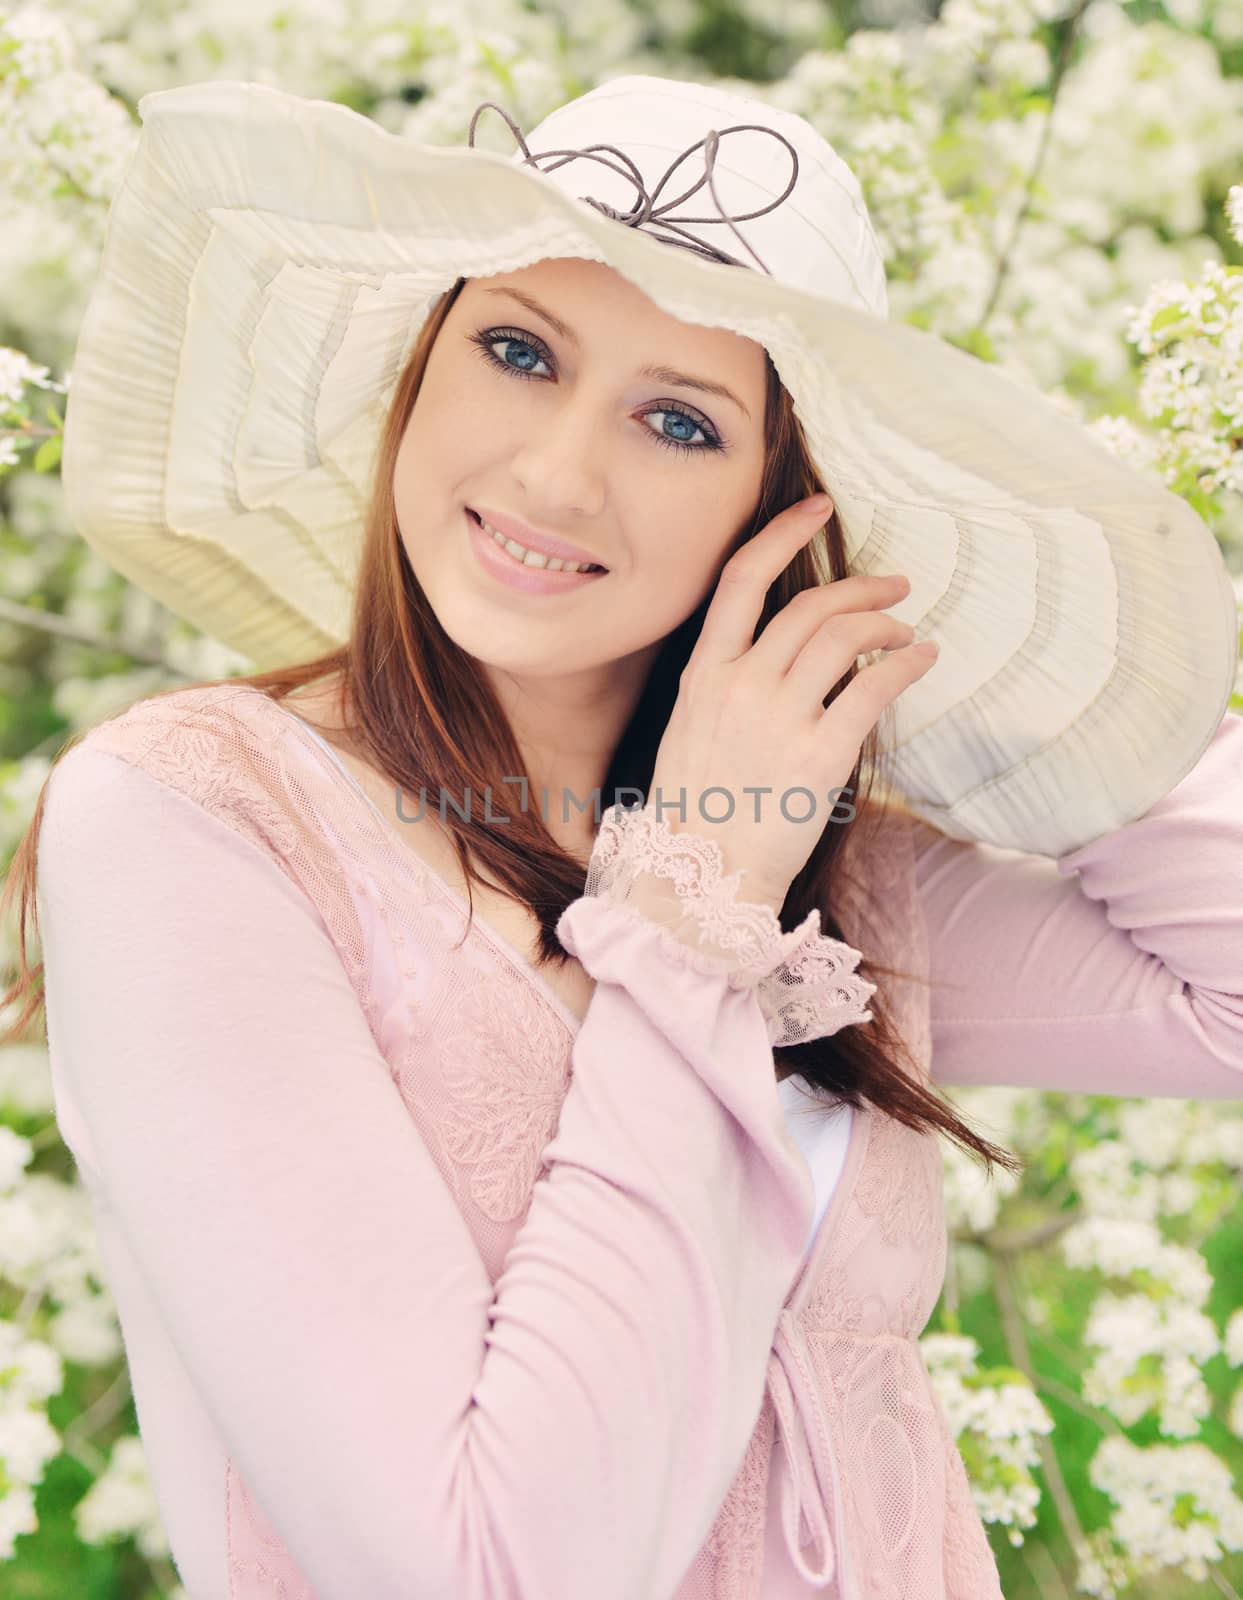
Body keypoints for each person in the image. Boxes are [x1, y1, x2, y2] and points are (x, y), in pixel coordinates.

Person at [3, 72, 1241, 1600]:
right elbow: (482, 1573)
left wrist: (989, 660)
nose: (557, 474)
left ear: (776, 509)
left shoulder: (825, 875)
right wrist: (694, 903)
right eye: (518, 350)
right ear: (417, 364)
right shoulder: (200, 823)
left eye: (678, 419)